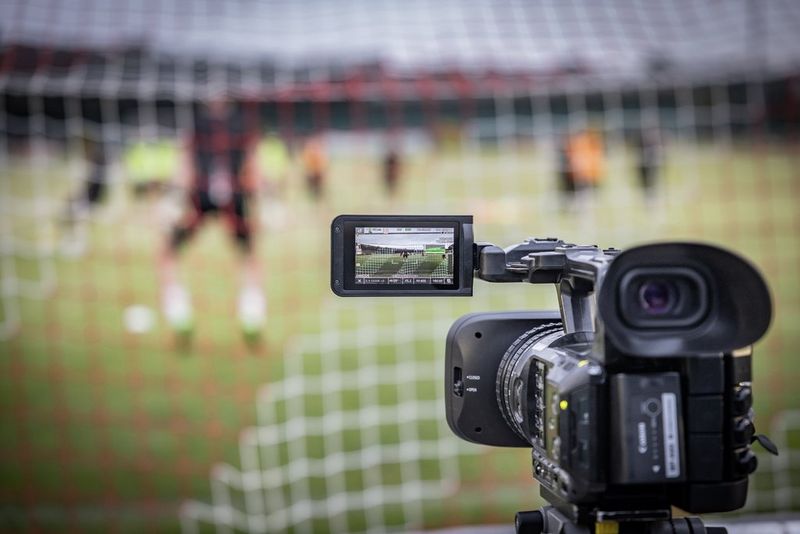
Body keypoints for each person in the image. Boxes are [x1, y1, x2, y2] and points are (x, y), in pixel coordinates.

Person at [158, 95, 266, 337]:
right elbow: (252, 163)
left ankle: (250, 312)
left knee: (248, 254)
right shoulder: (236, 123)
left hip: (209, 196)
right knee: (171, 251)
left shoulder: (203, 123)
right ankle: (249, 313)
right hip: (208, 196)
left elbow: (251, 163)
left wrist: (173, 195)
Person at [635, 127, 663, 202]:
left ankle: (651, 198)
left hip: (651, 164)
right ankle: (648, 198)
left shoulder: (655, 140)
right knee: (645, 183)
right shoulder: (641, 139)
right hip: (643, 164)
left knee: (652, 182)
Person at [301, 135, 326, 199]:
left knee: (318, 186)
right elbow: (306, 163)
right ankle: (313, 195)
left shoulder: (319, 152)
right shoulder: (309, 152)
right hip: (312, 172)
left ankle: (317, 195)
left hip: (317, 172)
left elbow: (322, 163)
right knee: (311, 185)